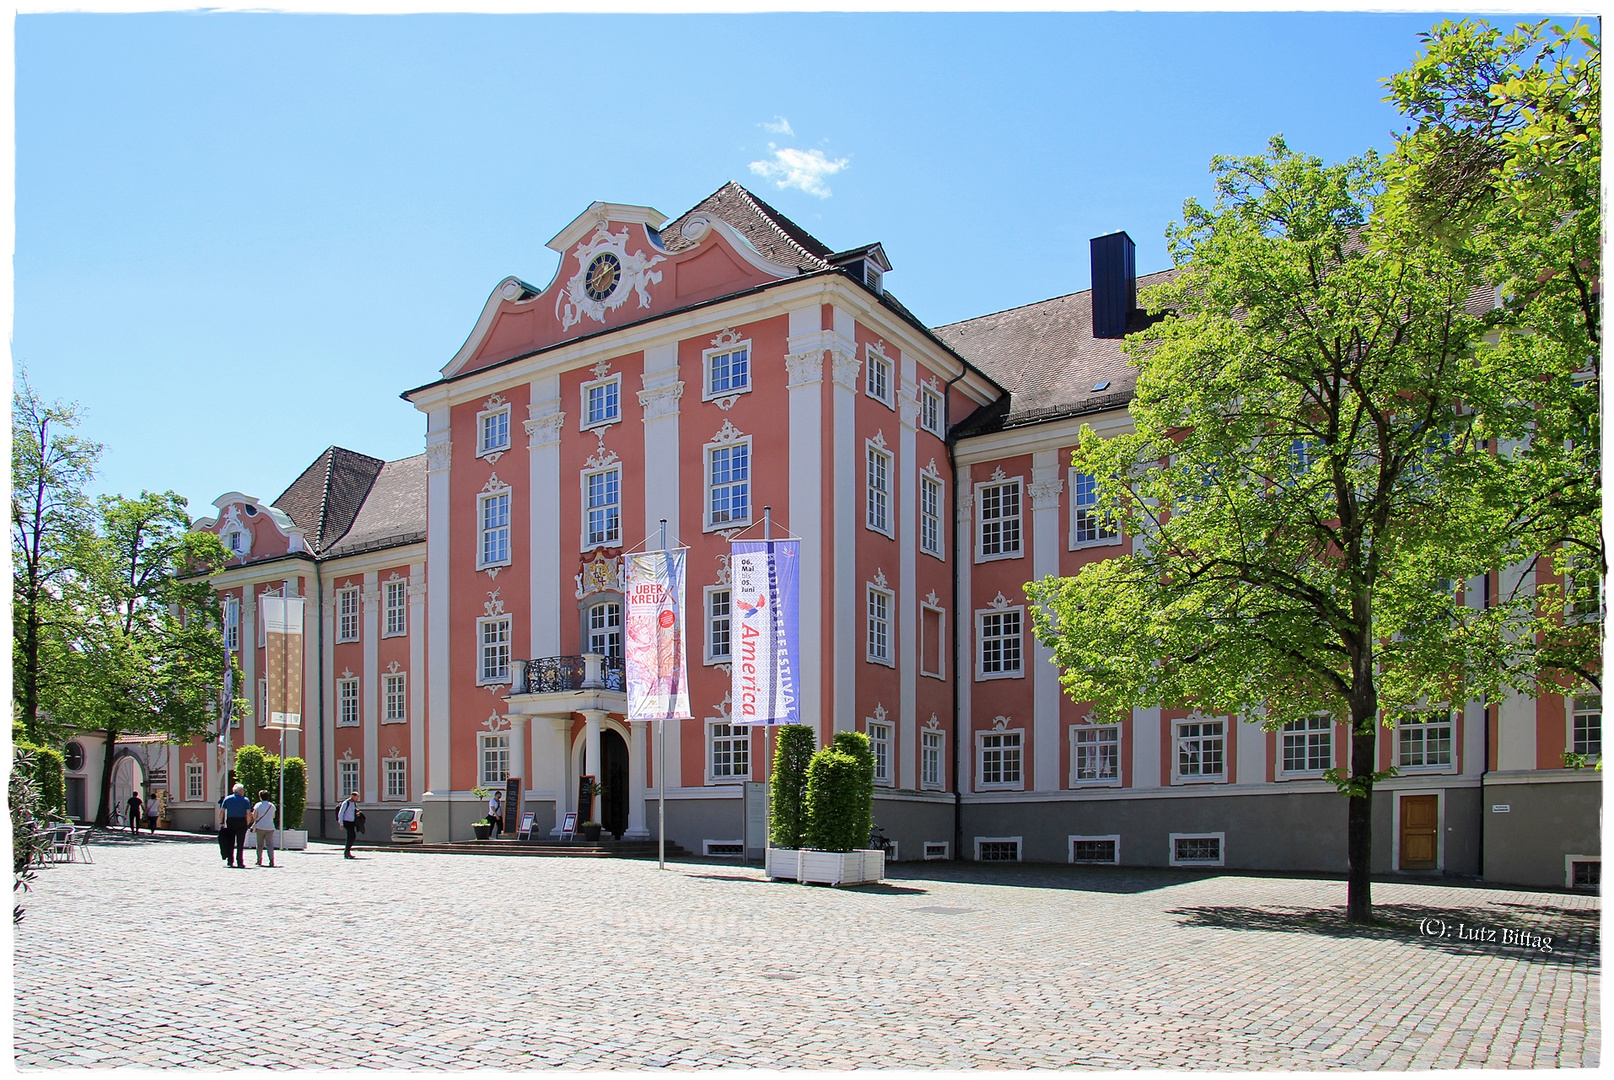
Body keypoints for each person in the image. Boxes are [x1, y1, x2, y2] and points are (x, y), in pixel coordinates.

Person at [220, 783, 252, 868]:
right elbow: (248, 813)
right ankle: (240, 861)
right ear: (240, 791)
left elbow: (222, 811)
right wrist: (247, 823)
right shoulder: (245, 800)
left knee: (230, 841)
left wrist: (221, 822)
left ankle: (230, 860)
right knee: (240, 843)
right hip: (241, 821)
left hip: (231, 820)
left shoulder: (227, 799)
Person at [251, 789, 277, 867]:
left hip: (260, 827)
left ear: (260, 797)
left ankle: (259, 860)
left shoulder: (258, 805)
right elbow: (273, 816)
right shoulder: (272, 805)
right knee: (270, 844)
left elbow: (255, 816)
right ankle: (271, 860)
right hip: (270, 827)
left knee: (259, 845)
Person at [337, 791, 360, 858]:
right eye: (356, 797)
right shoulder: (346, 803)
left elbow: (354, 811)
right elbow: (341, 813)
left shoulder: (354, 803)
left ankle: (347, 852)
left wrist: (357, 813)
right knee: (352, 836)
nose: (357, 799)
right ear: (353, 796)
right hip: (346, 822)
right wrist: (341, 823)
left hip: (352, 822)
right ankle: (347, 851)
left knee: (351, 837)